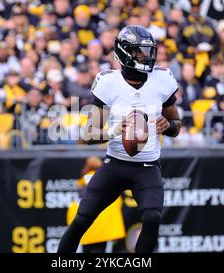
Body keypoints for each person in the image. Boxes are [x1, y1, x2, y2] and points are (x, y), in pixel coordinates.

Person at [57, 26, 181, 253]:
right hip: (114, 164)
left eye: (148, 51)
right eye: (140, 51)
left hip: (147, 166)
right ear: (125, 53)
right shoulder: (109, 82)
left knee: (152, 216)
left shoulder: (162, 79)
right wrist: (115, 131)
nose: (147, 56)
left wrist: (169, 125)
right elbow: (88, 136)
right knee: (82, 219)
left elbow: (176, 127)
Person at [66, 156, 126, 253]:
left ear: (86, 167)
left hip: (86, 229)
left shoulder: (82, 184)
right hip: (105, 229)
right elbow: (117, 202)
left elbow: (75, 205)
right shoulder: (108, 180)